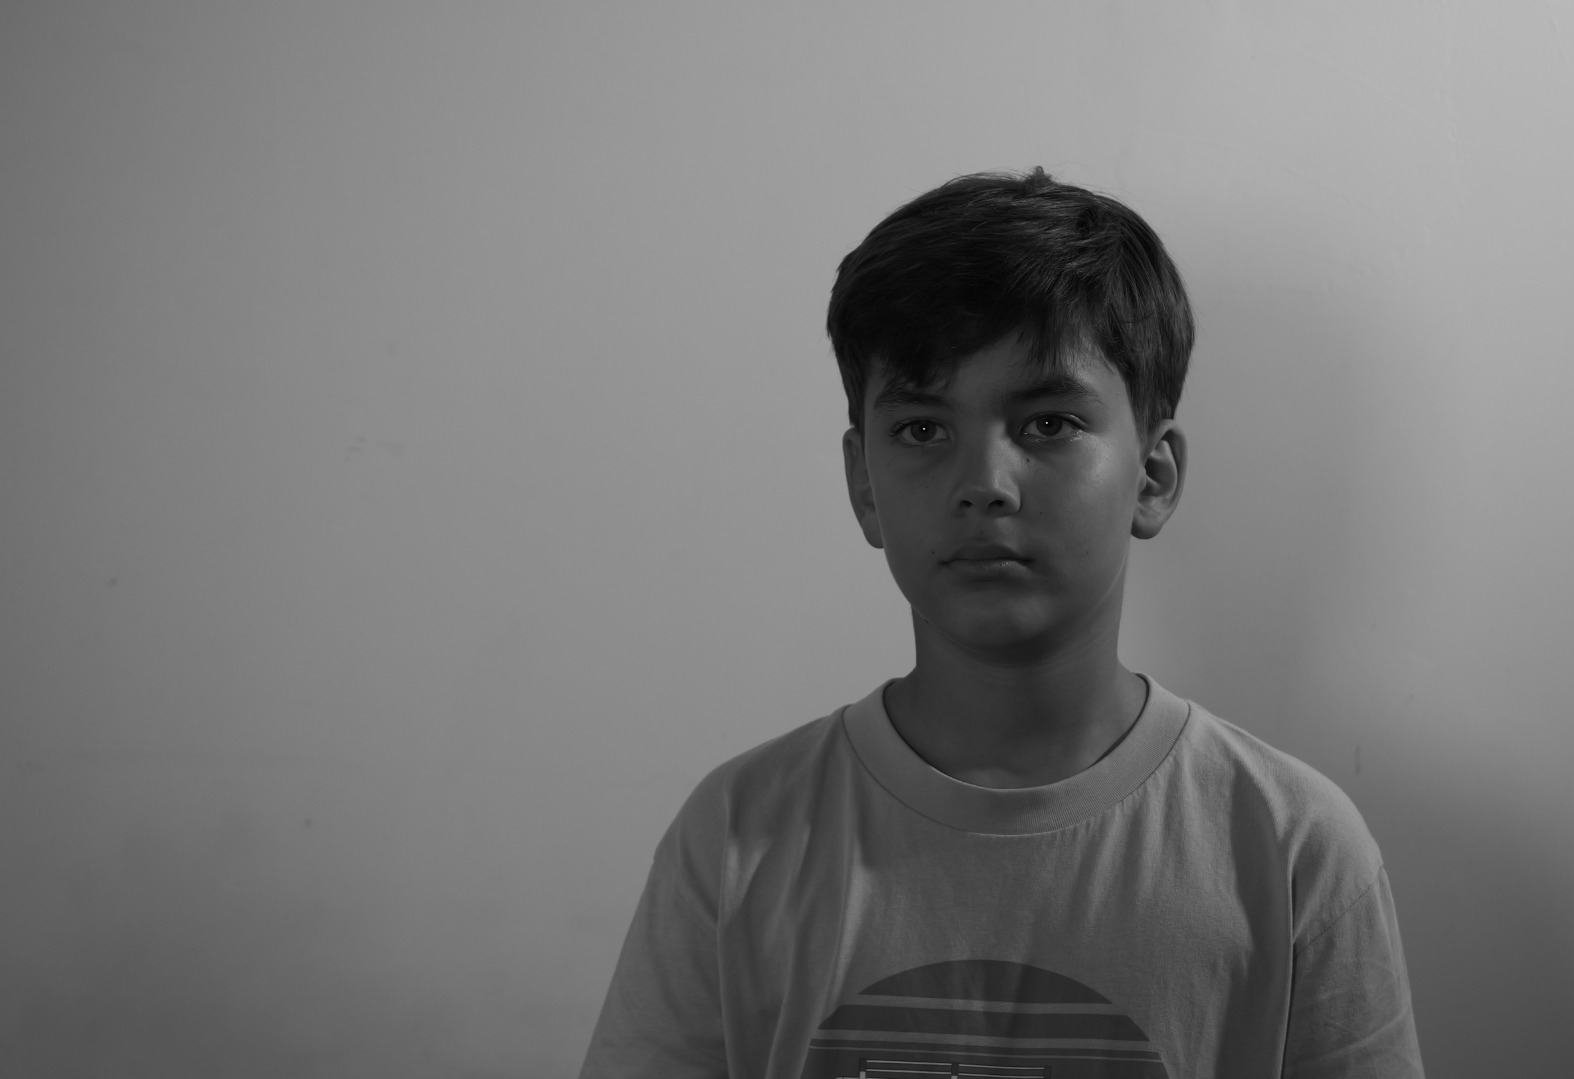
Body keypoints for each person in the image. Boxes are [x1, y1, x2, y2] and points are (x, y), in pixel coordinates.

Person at [580, 169, 1423, 1078]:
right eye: (922, 429)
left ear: (1152, 476)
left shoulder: (1292, 849)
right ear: (864, 484)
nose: (985, 482)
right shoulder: (738, 835)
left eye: (1049, 422)